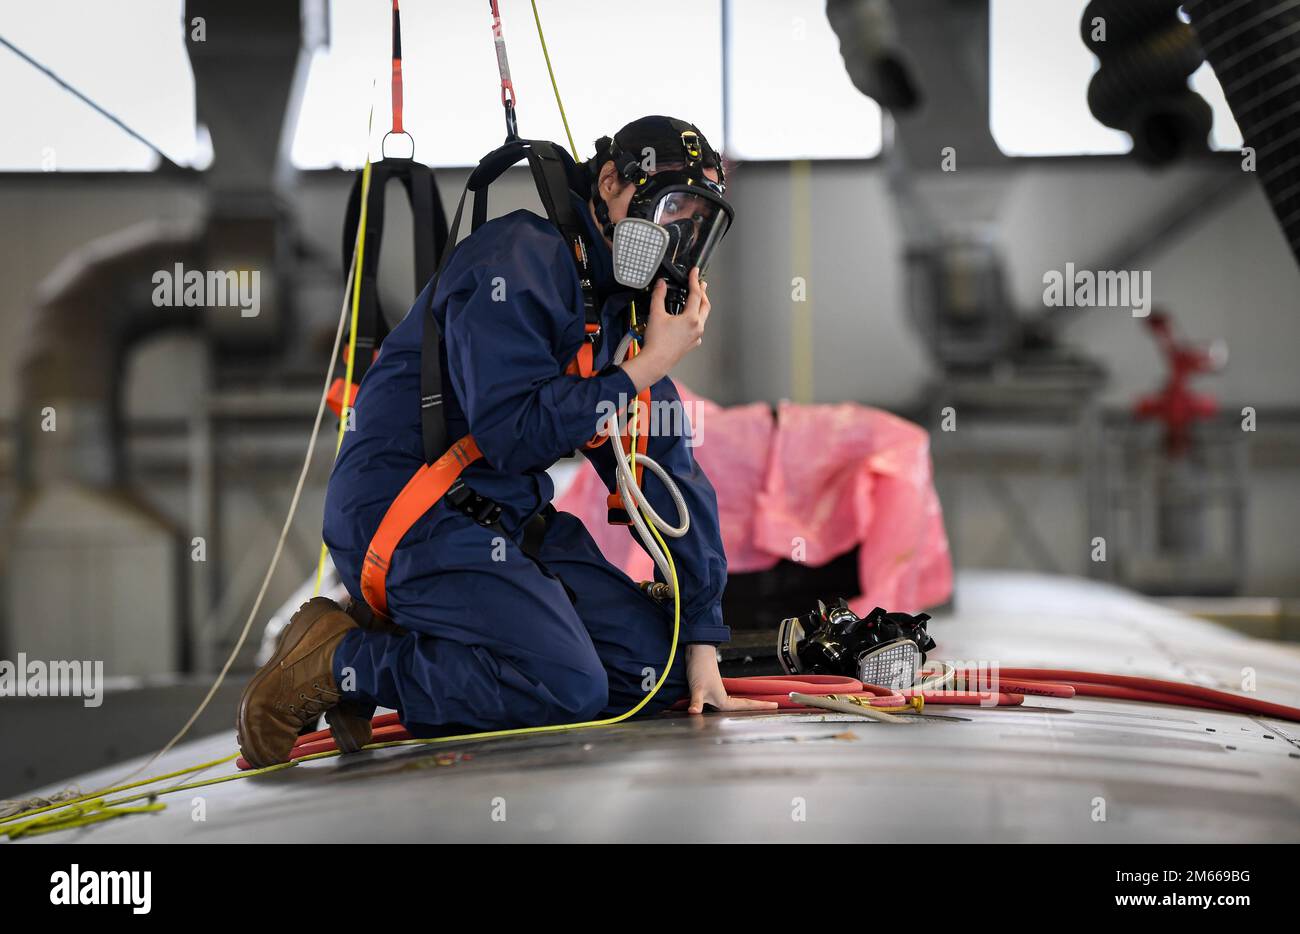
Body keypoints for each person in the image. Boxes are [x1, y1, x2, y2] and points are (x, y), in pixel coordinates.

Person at [237, 116, 776, 768]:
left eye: (697, 224)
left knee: (648, 672)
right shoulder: (517, 261)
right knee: (568, 684)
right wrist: (641, 370)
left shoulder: (623, 319)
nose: (676, 237)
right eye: (669, 209)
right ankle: (340, 660)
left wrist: (701, 642)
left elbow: (671, 474)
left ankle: (418, 642)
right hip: (409, 513)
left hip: (501, 515)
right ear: (609, 182)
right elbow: (512, 433)